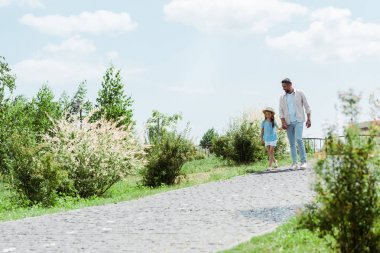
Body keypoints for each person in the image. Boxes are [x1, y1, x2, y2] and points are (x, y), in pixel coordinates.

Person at [279, 78, 311, 169]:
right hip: (288, 123)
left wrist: (309, 119)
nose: (283, 88)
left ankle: (304, 162)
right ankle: (294, 163)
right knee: (292, 143)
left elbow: (307, 106)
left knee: (299, 139)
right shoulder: (282, 98)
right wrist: (283, 122)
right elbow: (280, 111)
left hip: (299, 120)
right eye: (282, 86)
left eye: (284, 86)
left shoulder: (300, 93)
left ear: (290, 84)